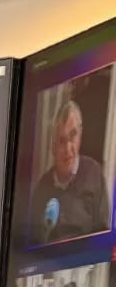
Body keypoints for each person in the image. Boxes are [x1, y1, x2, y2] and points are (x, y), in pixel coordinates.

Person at [29, 97, 111, 243]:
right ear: (53, 147)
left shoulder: (94, 173)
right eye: (61, 140)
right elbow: (32, 243)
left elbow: (103, 235)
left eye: (73, 135)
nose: (68, 148)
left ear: (80, 135)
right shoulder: (42, 189)